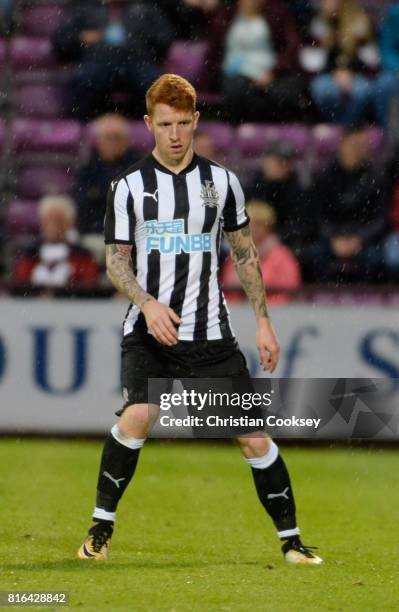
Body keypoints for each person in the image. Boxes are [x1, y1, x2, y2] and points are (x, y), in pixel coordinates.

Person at [77, 74, 322, 565]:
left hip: (210, 334)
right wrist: (146, 302)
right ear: (148, 124)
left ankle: (292, 543)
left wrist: (264, 321)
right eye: (164, 124)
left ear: (196, 121)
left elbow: (245, 254)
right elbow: (115, 261)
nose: (174, 134)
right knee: (138, 415)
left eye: (183, 123)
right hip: (149, 331)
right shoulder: (128, 188)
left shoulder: (222, 183)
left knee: (253, 437)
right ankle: (99, 531)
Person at [52, 0, 174, 120]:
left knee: (156, 86)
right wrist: (81, 37)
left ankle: (150, 128)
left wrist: (140, 38)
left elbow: (164, 39)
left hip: (138, 63)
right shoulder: (85, 7)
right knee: (83, 82)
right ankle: (81, 128)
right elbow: (60, 41)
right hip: (96, 63)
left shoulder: (144, 7)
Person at [306, 125, 388, 283]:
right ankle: (322, 298)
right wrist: (333, 238)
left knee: (376, 258)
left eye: (364, 146)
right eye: (355, 145)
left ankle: (367, 301)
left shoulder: (377, 177)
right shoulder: (325, 176)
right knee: (313, 255)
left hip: (365, 239)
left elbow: (380, 219)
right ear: (342, 145)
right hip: (332, 237)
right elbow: (318, 215)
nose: (360, 150)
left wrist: (359, 239)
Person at [204, 0, 306, 123]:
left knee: (286, 92)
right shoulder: (225, 14)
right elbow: (213, 52)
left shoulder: (277, 12)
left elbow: (291, 47)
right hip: (235, 74)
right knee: (237, 90)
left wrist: (273, 72)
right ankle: (240, 129)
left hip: (272, 72)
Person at [74, 114, 140, 261]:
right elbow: (82, 205)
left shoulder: (139, 168)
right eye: (108, 137)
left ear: (126, 141)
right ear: (98, 141)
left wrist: (100, 195)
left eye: (117, 137)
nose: (112, 143)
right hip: (95, 233)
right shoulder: (87, 169)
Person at [12, 195, 99, 294]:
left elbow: (90, 289)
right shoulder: (30, 254)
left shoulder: (83, 256)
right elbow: (19, 286)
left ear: (70, 223)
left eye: (58, 220)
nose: (53, 225)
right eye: (48, 220)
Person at [222, 200, 302, 304]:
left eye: (258, 224)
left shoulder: (281, 255)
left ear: (268, 227)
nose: (252, 228)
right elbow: (228, 289)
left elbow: (289, 289)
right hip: (239, 313)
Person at [309, 0, 376, 125]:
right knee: (322, 90)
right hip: (327, 75)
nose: (325, 3)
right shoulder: (319, 24)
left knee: (361, 92)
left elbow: (371, 59)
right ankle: (334, 126)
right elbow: (311, 62)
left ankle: (349, 128)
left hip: (356, 75)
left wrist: (349, 71)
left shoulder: (359, 23)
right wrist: (334, 71)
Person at [246, 140, 314, 252]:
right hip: (253, 241)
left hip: (286, 245)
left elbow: (303, 227)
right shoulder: (253, 189)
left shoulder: (299, 192)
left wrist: (278, 238)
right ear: (265, 161)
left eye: (286, 161)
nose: (282, 165)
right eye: (276, 161)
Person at [373, 2, 399, 127]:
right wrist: (397, 68)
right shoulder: (395, 12)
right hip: (396, 71)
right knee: (384, 84)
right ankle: (389, 133)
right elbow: (387, 49)